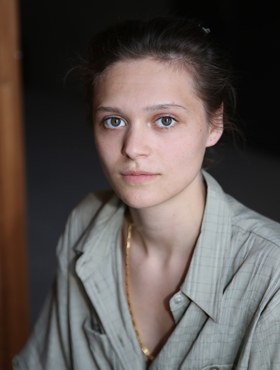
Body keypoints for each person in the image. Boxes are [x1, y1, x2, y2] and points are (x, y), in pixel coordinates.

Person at [14, 17, 280, 370]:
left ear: (214, 124)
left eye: (165, 120)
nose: (133, 148)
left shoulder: (270, 277)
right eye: (114, 121)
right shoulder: (85, 222)